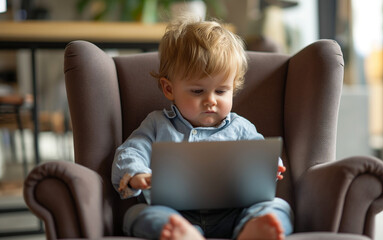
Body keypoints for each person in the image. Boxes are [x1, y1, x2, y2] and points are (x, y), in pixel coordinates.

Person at [112, 16, 293, 240]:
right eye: (198, 91)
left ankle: (252, 231)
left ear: (233, 88)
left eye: (221, 91)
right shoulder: (157, 124)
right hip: (174, 213)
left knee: (279, 206)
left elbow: (260, 152)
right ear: (169, 89)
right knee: (135, 214)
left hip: (234, 214)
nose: (211, 101)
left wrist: (269, 167)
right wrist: (136, 173)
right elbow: (131, 151)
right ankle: (181, 233)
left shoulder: (240, 128)